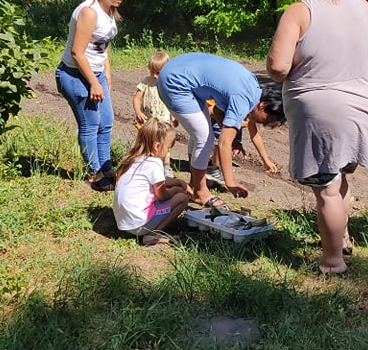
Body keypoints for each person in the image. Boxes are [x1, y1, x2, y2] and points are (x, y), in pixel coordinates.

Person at [266, 0, 368, 275]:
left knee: (328, 188)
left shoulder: (300, 11)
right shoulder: (362, 5)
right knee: (340, 175)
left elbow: (278, 67)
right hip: (364, 106)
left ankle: (333, 261)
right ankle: (341, 238)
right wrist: (366, 84)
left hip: (321, 112)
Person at [157, 52, 286, 206]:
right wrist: (230, 181)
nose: (263, 124)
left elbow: (218, 111)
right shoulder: (244, 99)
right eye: (267, 120)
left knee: (203, 135)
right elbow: (224, 143)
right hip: (174, 83)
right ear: (263, 105)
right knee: (205, 138)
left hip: (177, 68)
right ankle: (200, 192)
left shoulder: (252, 86)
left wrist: (233, 139)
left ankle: (195, 185)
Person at [55, 0, 127, 191]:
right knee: (91, 124)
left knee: (106, 121)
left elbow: (102, 45)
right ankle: (95, 173)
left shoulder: (109, 11)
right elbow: (77, 52)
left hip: (96, 74)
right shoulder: (89, 12)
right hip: (74, 74)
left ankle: (107, 168)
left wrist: (106, 73)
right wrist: (94, 82)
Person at [113, 118, 192, 246]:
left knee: (177, 193)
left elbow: (160, 181)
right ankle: (152, 235)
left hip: (124, 222)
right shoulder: (154, 163)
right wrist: (177, 190)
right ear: (157, 146)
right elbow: (162, 195)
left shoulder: (134, 159)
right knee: (182, 198)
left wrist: (180, 183)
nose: (168, 152)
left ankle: (150, 227)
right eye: (168, 148)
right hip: (138, 224)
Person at [132, 50, 177, 127]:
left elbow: (173, 101)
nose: (154, 75)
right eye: (152, 72)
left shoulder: (169, 84)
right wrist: (138, 112)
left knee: (164, 134)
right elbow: (137, 98)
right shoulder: (146, 82)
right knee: (147, 135)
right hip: (148, 120)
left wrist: (174, 116)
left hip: (164, 121)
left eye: (158, 73)